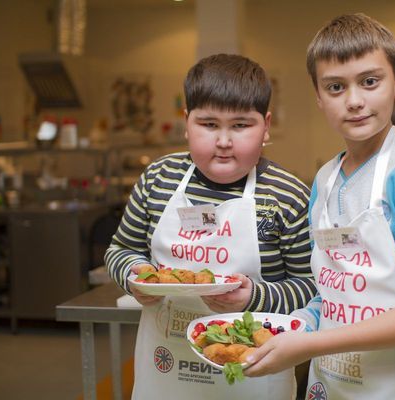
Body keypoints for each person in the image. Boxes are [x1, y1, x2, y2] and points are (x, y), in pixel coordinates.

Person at [244, 14, 395, 399]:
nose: (354, 101)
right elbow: (331, 295)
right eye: (335, 87)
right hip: (332, 386)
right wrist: (294, 327)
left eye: (370, 81)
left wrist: (311, 345)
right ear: (318, 96)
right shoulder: (325, 180)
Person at [105, 54, 316, 399]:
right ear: (187, 122)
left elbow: (312, 287)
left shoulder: (286, 195)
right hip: (166, 367)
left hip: (253, 372)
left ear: (266, 125)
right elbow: (121, 250)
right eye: (208, 124)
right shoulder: (159, 179)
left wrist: (255, 296)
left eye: (241, 125)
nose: (223, 141)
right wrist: (136, 274)